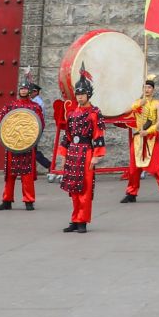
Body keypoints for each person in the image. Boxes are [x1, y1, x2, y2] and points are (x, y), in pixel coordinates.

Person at [52, 73, 104, 234]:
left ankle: (83, 220)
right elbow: (67, 135)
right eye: (78, 94)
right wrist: (63, 154)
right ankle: (75, 219)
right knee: (73, 188)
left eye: (82, 94)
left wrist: (96, 156)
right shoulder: (73, 114)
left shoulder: (95, 113)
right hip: (73, 153)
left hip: (86, 152)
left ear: (88, 94)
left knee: (85, 189)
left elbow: (98, 135)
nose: (80, 97)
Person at [0, 73, 47, 211]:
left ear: (30, 91)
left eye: (25, 89)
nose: (23, 90)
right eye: (21, 88)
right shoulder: (10, 106)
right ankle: (7, 200)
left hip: (27, 146)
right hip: (12, 145)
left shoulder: (36, 107)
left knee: (27, 174)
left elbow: (40, 125)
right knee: (10, 175)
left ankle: (29, 200)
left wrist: (30, 139)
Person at [122, 74, 159, 203]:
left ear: (153, 90)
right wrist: (137, 105)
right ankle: (131, 193)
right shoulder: (137, 103)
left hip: (151, 137)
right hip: (138, 139)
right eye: (145, 87)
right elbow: (125, 112)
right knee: (134, 168)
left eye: (149, 87)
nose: (147, 90)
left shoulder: (157, 104)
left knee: (158, 166)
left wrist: (149, 131)